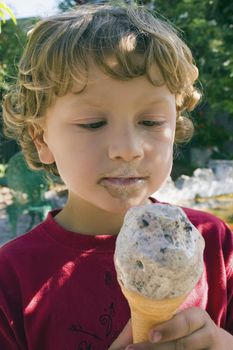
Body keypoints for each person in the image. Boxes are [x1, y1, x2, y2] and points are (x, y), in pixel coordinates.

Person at [1, 2, 233, 350]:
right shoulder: (11, 278)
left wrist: (220, 343)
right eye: (93, 124)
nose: (128, 149)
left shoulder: (213, 243)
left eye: (151, 122)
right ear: (41, 138)